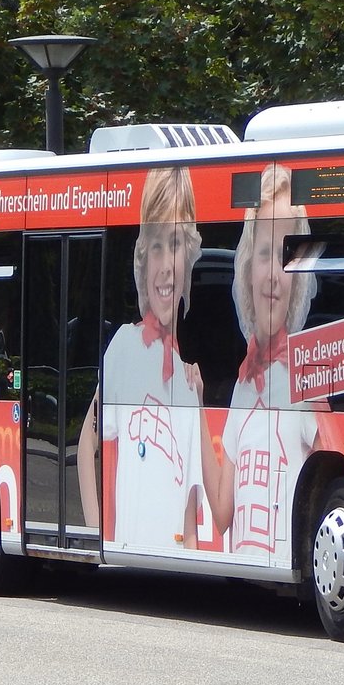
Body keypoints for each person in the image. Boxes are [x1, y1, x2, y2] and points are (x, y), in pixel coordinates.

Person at [77, 166, 217, 553]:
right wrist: (96, 531)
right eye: (156, 246)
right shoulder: (124, 346)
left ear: (189, 259)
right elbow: (87, 442)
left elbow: (189, 519)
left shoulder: (190, 387)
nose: (167, 266)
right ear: (143, 258)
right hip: (127, 555)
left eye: (175, 244)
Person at [202, 164, 324, 558]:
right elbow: (222, 513)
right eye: (264, 254)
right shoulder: (243, 384)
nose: (273, 275)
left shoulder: (306, 381)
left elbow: (336, 481)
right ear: (247, 268)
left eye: (287, 256)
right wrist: (191, 408)